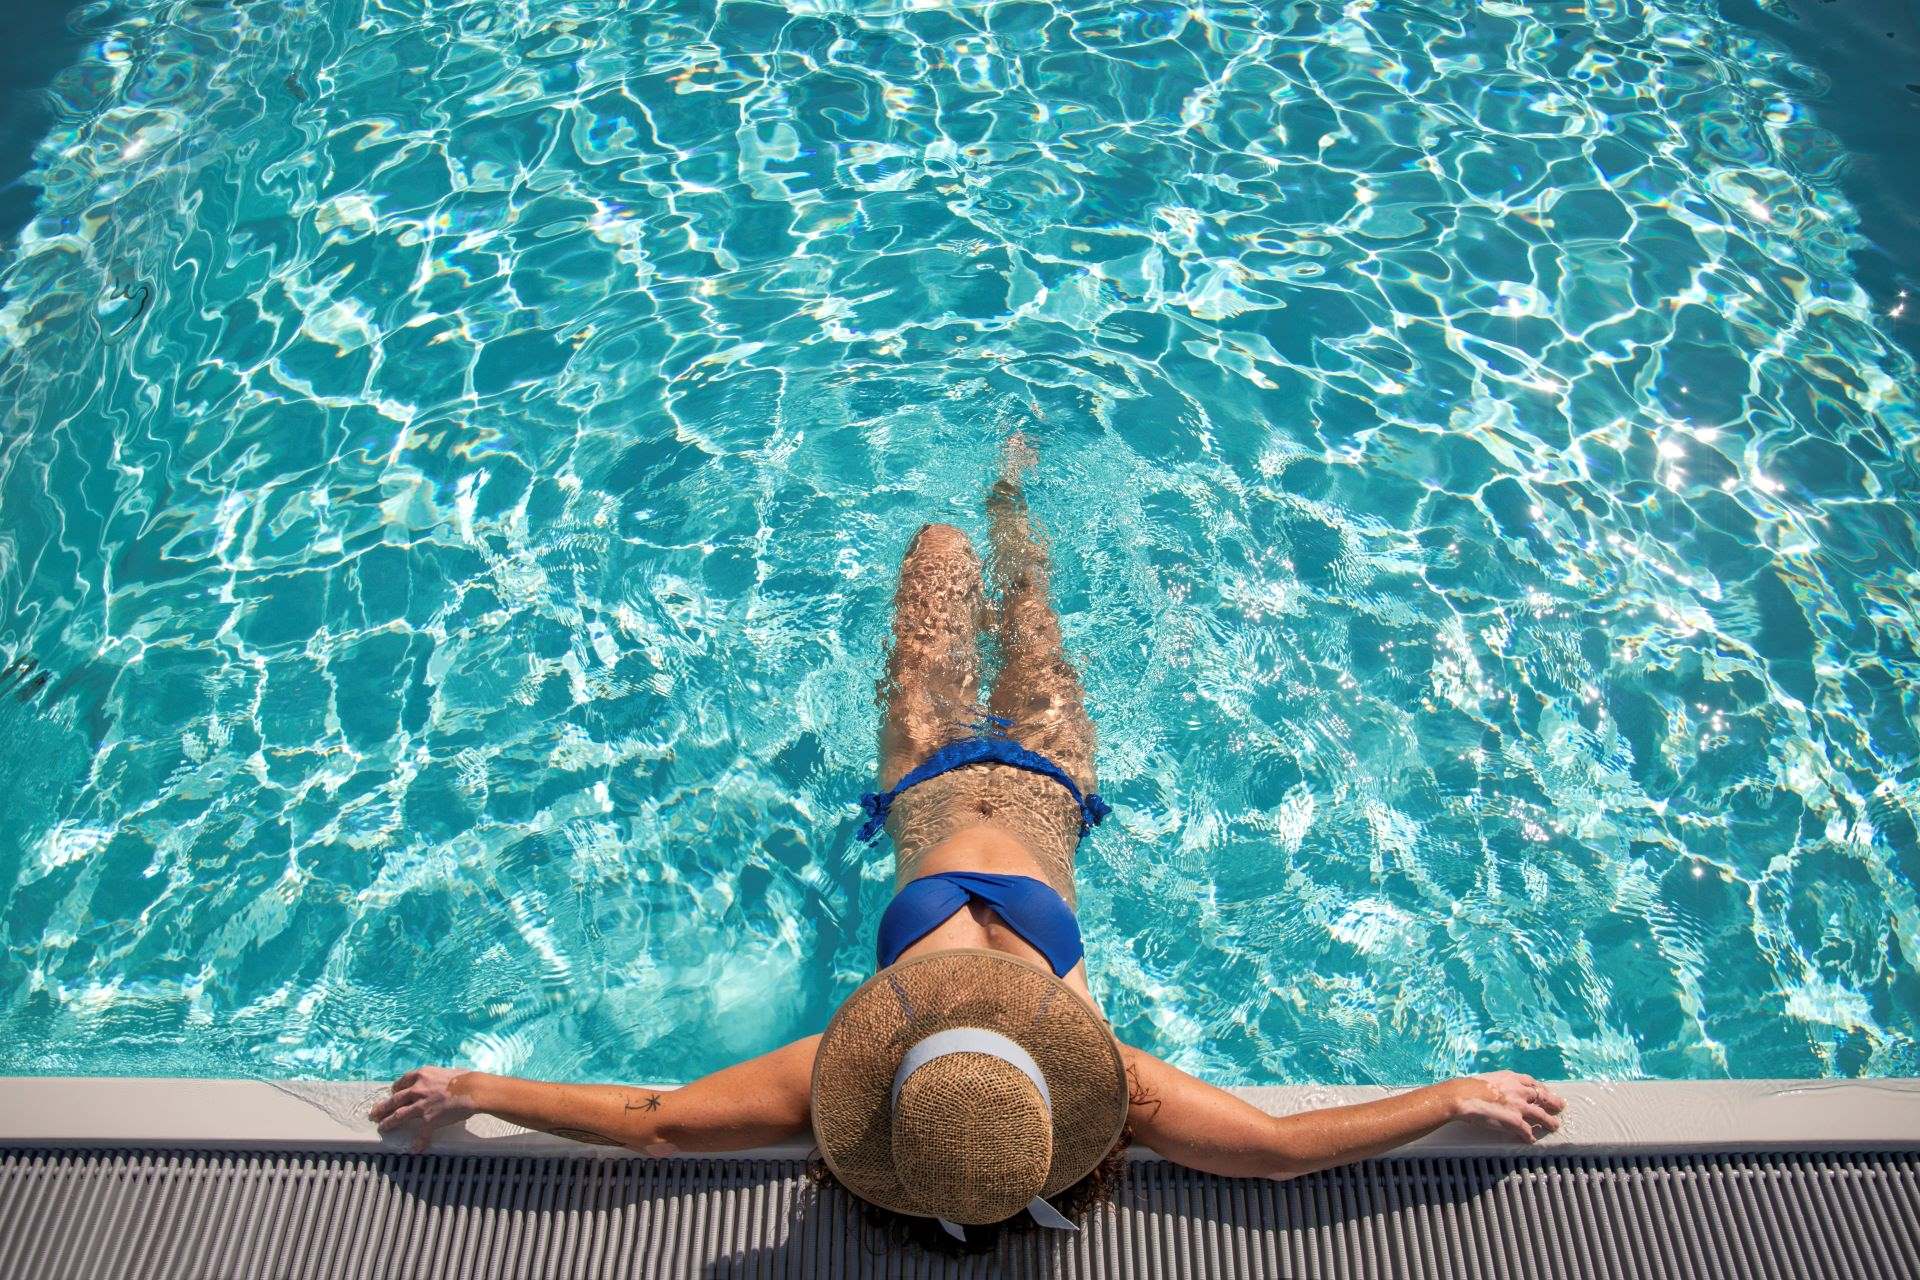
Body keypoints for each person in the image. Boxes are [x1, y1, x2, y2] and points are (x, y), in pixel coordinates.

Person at [370, 436, 1567, 1254]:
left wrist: (476, 1086)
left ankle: (982, 485)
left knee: (935, 555)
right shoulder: (1096, 1071)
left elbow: (657, 1119)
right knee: (1020, 574)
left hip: (921, 776)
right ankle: (1014, 485)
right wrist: (1452, 1093)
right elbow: (1275, 1149)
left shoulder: (866, 1062)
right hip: (1053, 779)